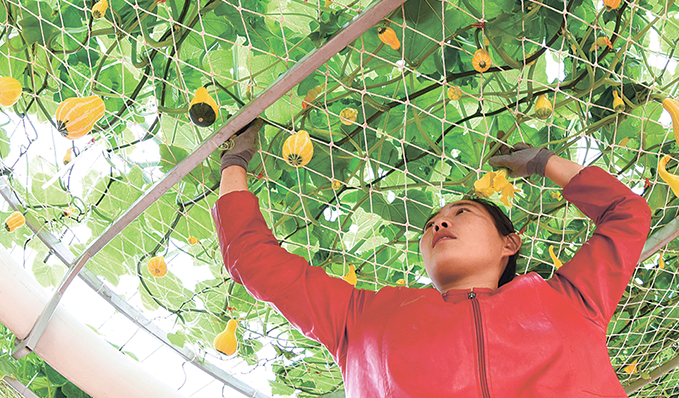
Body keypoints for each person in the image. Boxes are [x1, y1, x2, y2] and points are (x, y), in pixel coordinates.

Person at [213, 119, 652, 397]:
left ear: (510, 244)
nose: (439, 225)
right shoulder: (359, 317)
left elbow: (628, 214)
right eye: (429, 226)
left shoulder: (571, 299)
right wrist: (235, 162)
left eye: (461, 213)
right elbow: (254, 260)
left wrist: (543, 162)